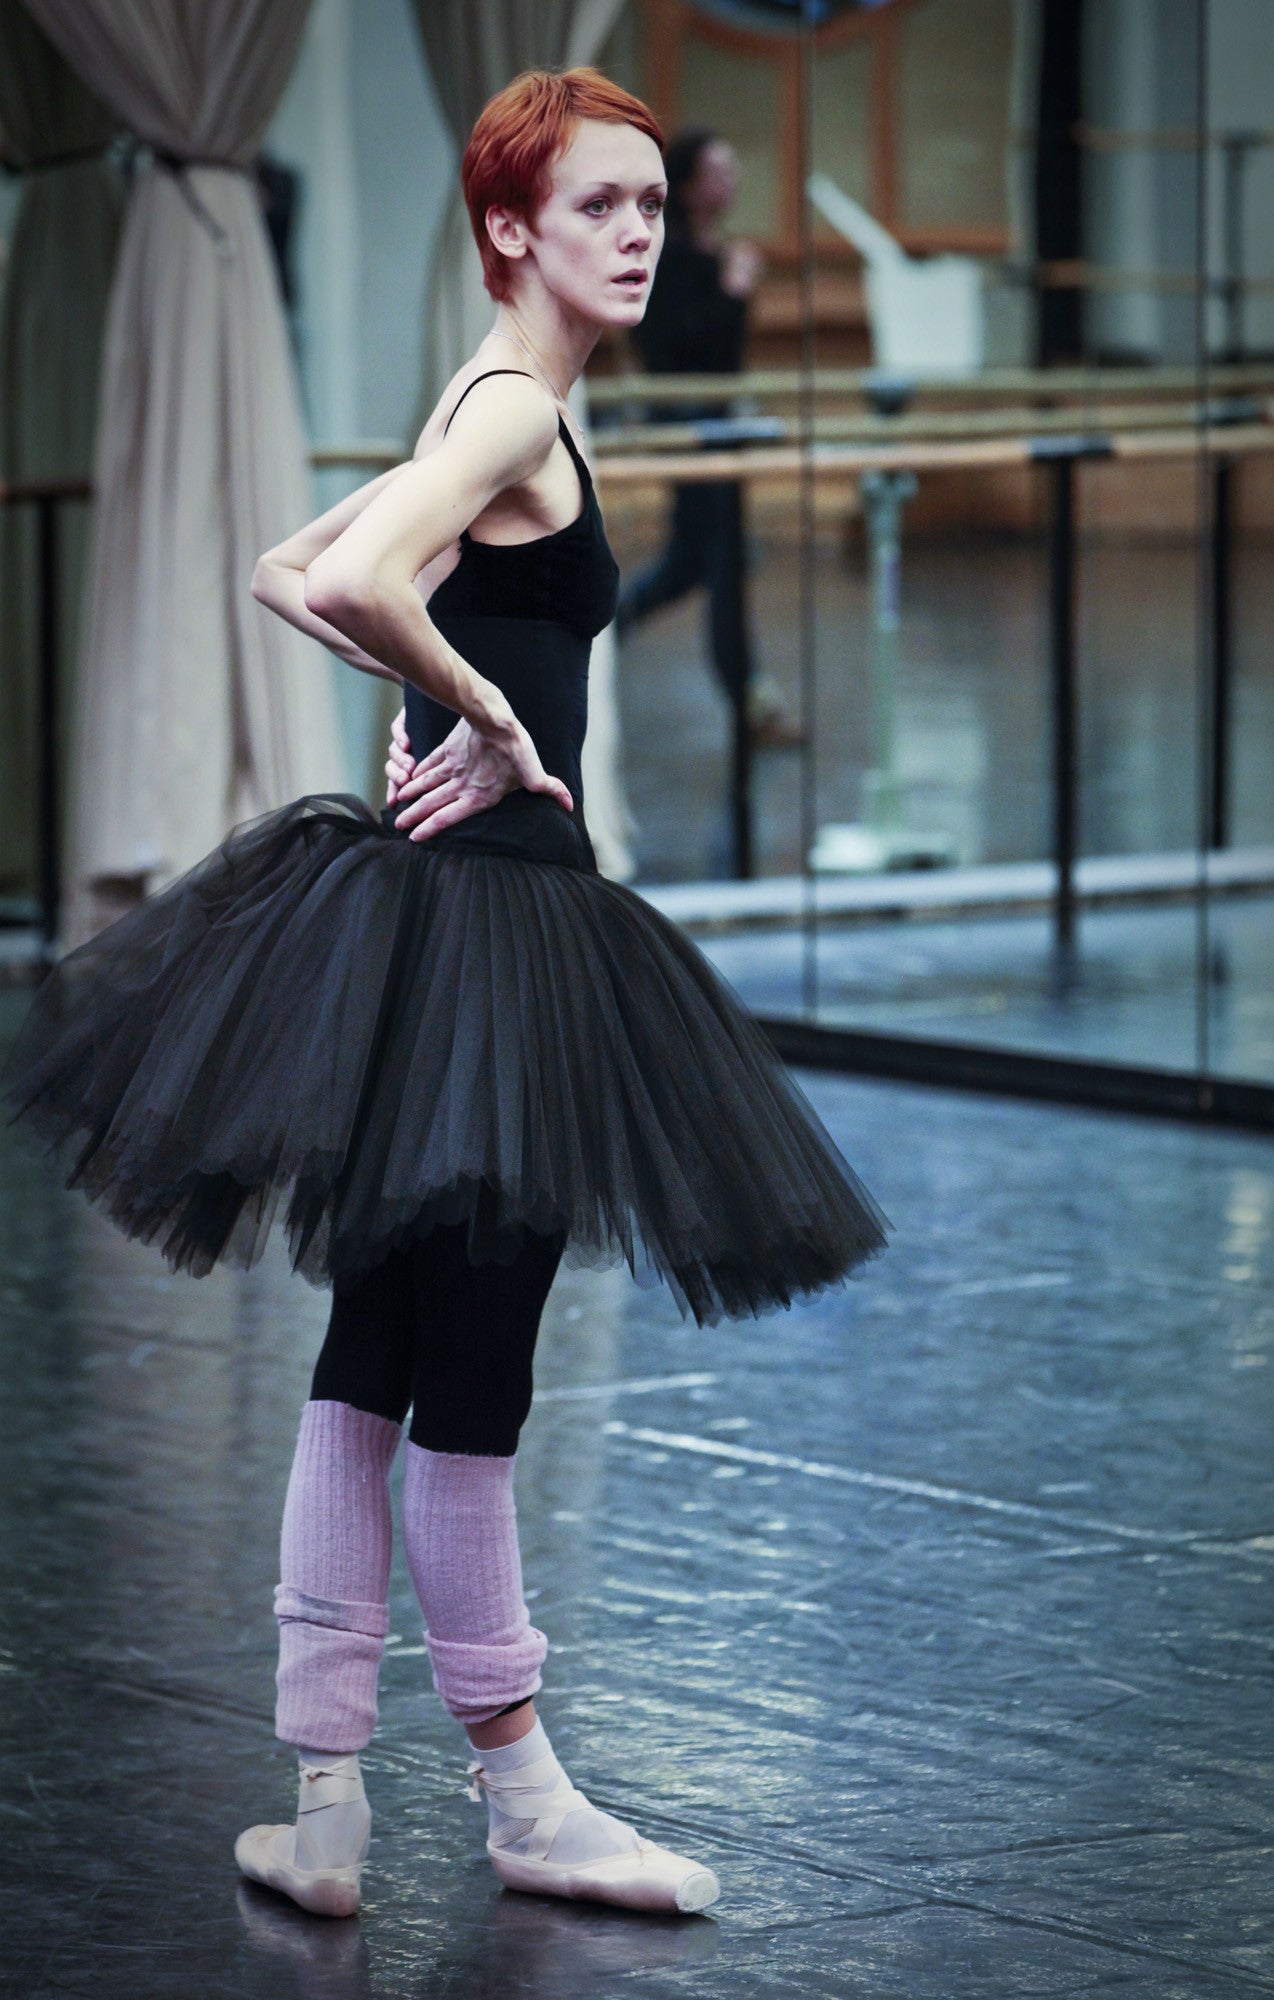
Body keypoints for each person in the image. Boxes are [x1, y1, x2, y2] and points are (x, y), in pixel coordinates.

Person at [2, 70, 887, 1922]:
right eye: (598, 207)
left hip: (427, 944)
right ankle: (523, 1801)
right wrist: (480, 716)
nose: (637, 234)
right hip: (496, 947)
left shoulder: (488, 401)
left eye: (650, 203)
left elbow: (290, 570)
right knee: (471, 1382)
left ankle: (325, 1806)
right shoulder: (513, 411)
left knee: (380, 1361)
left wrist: (439, 691)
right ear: (508, 229)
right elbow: (358, 573)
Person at [617, 126, 803, 750]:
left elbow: (725, 353)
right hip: (689, 427)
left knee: (694, 562)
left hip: (719, 427)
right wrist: (734, 291)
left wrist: (733, 289)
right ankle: (753, 705)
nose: (733, 182)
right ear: (691, 186)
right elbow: (673, 346)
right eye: (719, 172)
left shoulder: (716, 253)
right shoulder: (665, 256)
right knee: (717, 563)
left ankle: (597, 634)